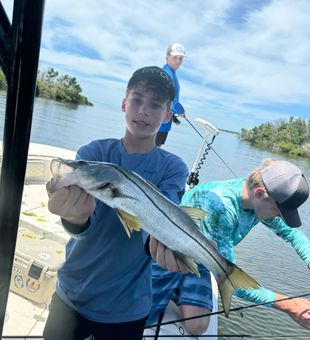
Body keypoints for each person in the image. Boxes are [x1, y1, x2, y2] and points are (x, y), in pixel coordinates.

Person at [43, 66, 189, 340]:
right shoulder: (93, 154)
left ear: (167, 115)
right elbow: (83, 223)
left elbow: (162, 220)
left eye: (155, 104)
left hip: (128, 308)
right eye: (137, 100)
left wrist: (167, 246)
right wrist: (73, 218)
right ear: (124, 104)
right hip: (73, 293)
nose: (143, 110)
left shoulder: (173, 168)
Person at [149, 159, 310, 334]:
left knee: (198, 327)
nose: (280, 217)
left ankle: (180, 291)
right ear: (259, 193)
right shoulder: (221, 207)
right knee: (144, 317)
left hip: (203, 258)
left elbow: (292, 233)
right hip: (169, 255)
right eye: (279, 211)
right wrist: (290, 305)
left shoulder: (258, 202)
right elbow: (228, 277)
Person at [155, 42, 186, 147]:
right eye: (175, 57)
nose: (178, 61)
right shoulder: (167, 73)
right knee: (151, 152)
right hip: (159, 124)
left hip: (164, 123)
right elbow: (170, 98)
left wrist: (174, 118)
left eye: (180, 58)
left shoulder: (171, 74)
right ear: (167, 57)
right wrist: (181, 111)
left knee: (155, 151)